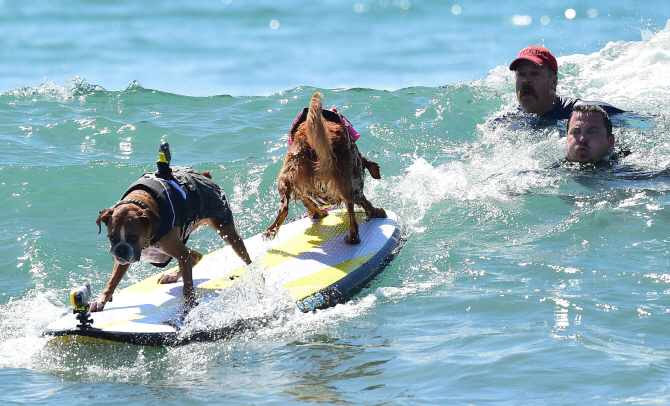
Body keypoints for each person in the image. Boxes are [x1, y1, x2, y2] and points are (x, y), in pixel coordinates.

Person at [509, 45, 625, 120]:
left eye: (535, 74)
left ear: (553, 82)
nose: (526, 80)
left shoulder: (584, 114)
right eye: (521, 74)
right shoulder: (509, 120)